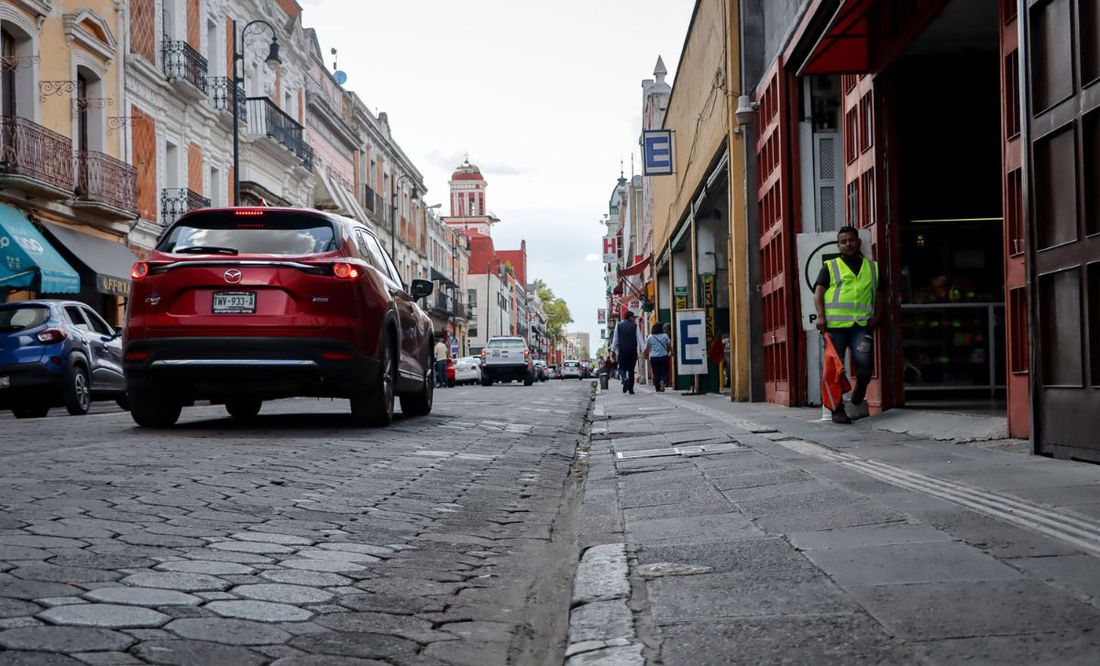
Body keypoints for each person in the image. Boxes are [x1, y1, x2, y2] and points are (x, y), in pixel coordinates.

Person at [813, 226, 885, 424]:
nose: (848, 244)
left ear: (858, 242)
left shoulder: (873, 267)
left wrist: (878, 315)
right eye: (843, 242)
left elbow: (879, 293)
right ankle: (837, 410)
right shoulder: (830, 266)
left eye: (851, 240)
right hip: (835, 327)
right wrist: (821, 316)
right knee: (833, 369)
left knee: (865, 366)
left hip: (861, 325)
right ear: (838, 245)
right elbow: (818, 292)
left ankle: (858, 391)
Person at [611, 310, 644, 394]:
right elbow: (640, 339)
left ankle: (624, 379)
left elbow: (615, 339)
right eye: (633, 317)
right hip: (632, 352)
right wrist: (644, 350)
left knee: (621, 368)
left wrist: (613, 351)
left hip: (622, 352)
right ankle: (631, 389)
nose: (634, 319)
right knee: (631, 370)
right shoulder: (635, 326)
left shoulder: (618, 326)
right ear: (630, 317)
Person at [643, 321, 672, 392]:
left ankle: (657, 389)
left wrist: (645, 355)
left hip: (654, 357)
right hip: (664, 356)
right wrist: (671, 352)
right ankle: (663, 381)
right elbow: (669, 346)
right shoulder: (665, 336)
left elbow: (646, 348)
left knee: (656, 372)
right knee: (665, 371)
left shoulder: (650, 337)